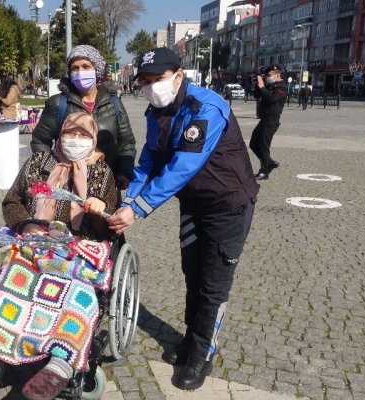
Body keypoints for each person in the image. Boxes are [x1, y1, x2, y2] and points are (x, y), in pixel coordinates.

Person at [106, 47, 258, 391]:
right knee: (192, 274)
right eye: (144, 81)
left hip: (227, 205)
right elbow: (149, 159)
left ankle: (203, 352)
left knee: (213, 283)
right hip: (193, 206)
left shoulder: (206, 107)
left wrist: (138, 209)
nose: (150, 87)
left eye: (157, 79)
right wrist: (127, 200)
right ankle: (191, 339)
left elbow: (182, 168)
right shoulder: (155, 111)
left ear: (178, 75)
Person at [0, 113, 117, 400]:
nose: (75, 141)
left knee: (75, 287)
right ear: (59, 135)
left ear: (93, 140)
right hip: (37, 241)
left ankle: (60, 363)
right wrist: (27, 224)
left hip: (80, 244)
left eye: (83, 136)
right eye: (70, 133)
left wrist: (98, 207)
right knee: (13, 279)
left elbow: (108, 226)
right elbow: (13, 201)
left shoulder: (101, 172)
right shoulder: (37, 164)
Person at [31, 45, 136, 190]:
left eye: (86, 66)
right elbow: (40, 141)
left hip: (104, 185)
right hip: (66, 185)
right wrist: (50, 169)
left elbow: (127, 144)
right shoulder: (58, 103)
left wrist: (124, 172)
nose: (80, 72)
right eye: (75, 68)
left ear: (97, 70)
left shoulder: (114, 104)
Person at [249, 64, 287, 180]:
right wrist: (259, 84)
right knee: (253, 144)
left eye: (269, 75)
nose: (268, 77)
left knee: (264, 147)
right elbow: (256, 95)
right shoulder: (269, 86)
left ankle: (264, 171)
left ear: (278, 75)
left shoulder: (282, 87)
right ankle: (269, 163)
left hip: (272, 120)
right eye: (266, 75)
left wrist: (262, 87)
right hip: (263, 120)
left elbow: (272, 98)